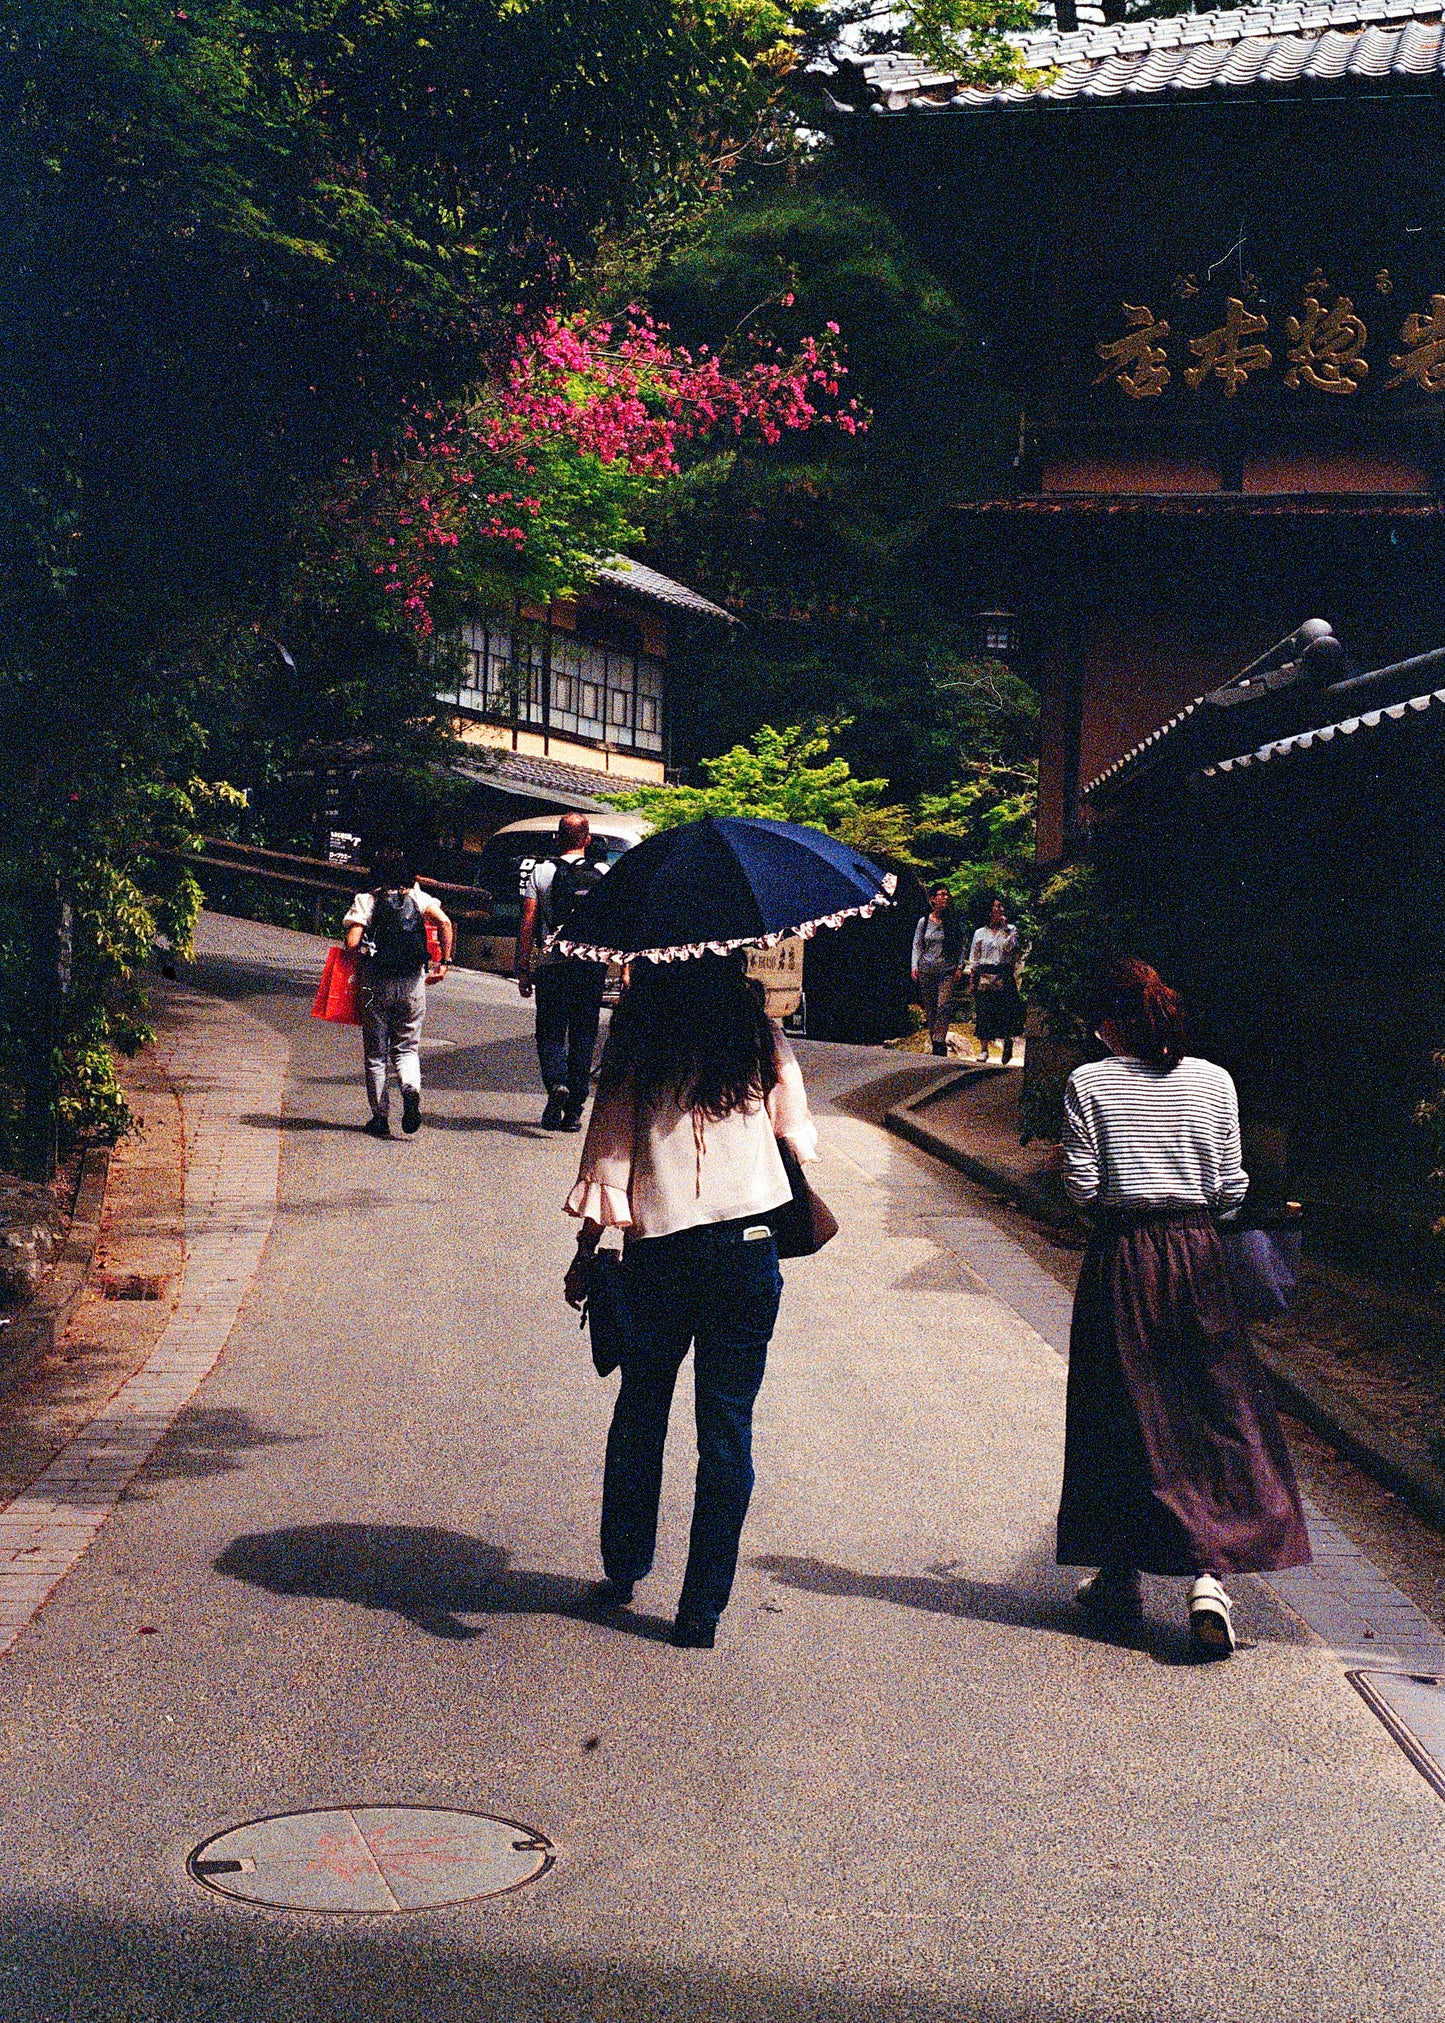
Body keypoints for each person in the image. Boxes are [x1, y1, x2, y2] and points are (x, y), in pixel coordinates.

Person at [1054, 958, 1310, 1659]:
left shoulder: (1089, 1082)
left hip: (1123, 1258)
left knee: (1120, 1411)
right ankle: (1208, 1581)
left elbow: (1083, 1186)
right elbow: (1230, 1187)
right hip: (1199, 1255)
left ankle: (1117, 1575)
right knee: (1209, 1411)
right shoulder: (1213, 1080)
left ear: (1110, 1020)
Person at [562, 954, 818, 1649]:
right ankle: (700, 1610)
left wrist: (587, 1252)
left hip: (664, 1248)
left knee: (642, 1405)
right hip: (749, 1243)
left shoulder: (639, 1037)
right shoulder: (758, 1033)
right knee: (727, 1428)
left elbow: (610, 1160)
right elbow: (795, 1134)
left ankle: (625, 1562)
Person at [342, 845, 452, 1139]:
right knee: (407, 1048)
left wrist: (363, 948)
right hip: (412, 982)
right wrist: (443, 962)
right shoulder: (418, 897)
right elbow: (444, 921)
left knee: (376, 1054)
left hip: (376, 982)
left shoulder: (366, 900)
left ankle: (380, 1118)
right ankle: (410, 1088)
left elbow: (352, 944)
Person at [517, 812, 608, 1132]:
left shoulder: (540, 872)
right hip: (590, 965)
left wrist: (523, 967)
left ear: (557, 839)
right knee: (584, 1035)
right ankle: (574, 1112)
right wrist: (624, 967)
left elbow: (528, 921)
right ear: (587, 840)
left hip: (552, 965)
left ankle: (556, 1084)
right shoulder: (603, 872)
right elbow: (616, 921)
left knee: (551, 1032)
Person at [968, 896, 1025, 1067]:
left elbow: (1010, 949)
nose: (1000, 910)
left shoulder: (1011, 929)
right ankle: (983, 1048)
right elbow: (974, 957)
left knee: (1006, 1011)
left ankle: (1007, 1041)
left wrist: (1006, 930)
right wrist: (972, 979)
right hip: (985, 975)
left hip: (1003, 973)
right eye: (997, 907)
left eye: (1002, 907)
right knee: (984, 1011)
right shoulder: (979, 932)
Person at [910, 889, 965, 1057]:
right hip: (927, 968)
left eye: (947, 895)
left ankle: (940, 1040)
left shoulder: (953, 922)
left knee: (943, 1005)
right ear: (933, 899)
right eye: (941, 894)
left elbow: (961, 945)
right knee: (931, 1007)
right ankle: (935, 1039)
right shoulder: (924, 921)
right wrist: (914, 965)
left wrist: (960, 966)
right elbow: (917, 944)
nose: (945, 898)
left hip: (946, 969)